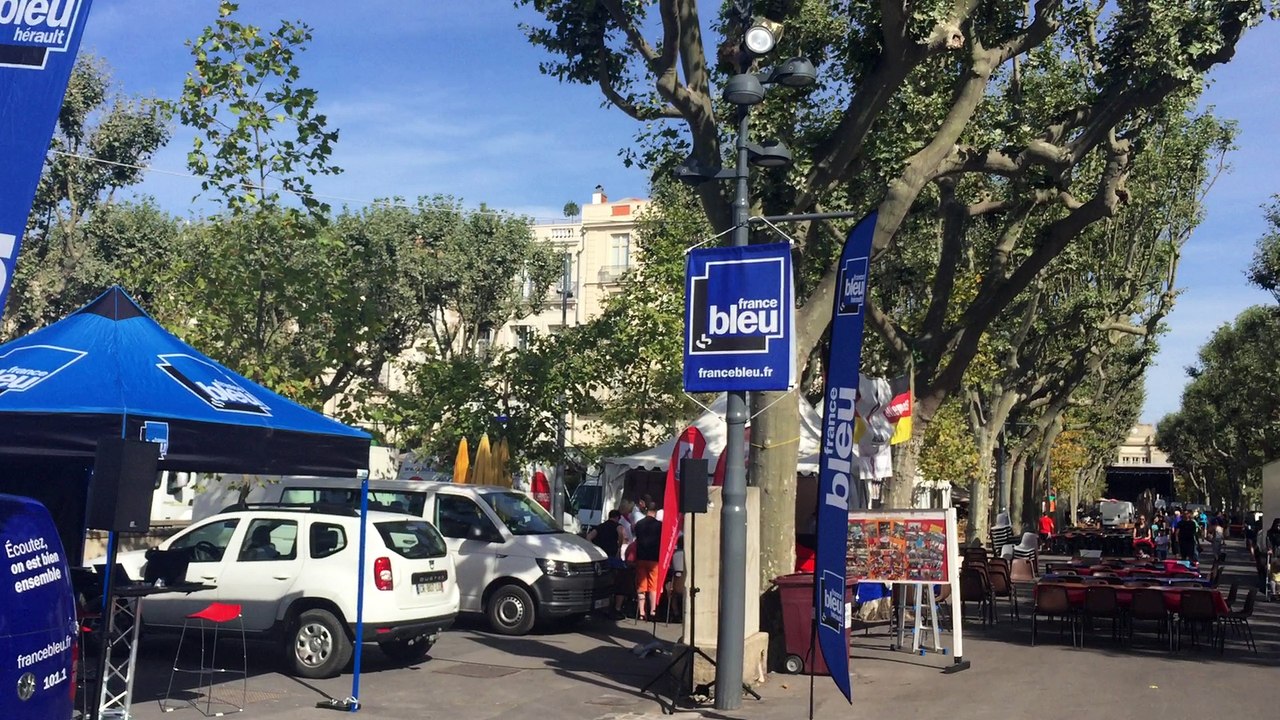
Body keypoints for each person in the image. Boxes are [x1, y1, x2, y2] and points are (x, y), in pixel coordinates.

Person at [587, 509, 629, 618]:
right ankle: (617, 608)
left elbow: (588, 537)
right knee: (622, 580)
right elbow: (621, 533)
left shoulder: (600, 526)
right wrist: (619, 546)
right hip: (613, 557)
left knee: (603, 582)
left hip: (601, 558)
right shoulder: (618, 526)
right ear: (618, 518)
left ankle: (602, 607)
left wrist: (595, 549)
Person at [632, 496, 662, 621]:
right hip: (654, 558)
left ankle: (642, 612)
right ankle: (653, 610)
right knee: (653, 585)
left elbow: (636, 538)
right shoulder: (660, 525)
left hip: (641, 557)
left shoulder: (639, 524)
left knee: (641, 585)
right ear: (655, 512)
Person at [1246, 520, 1267, 592]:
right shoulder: (1261, 533)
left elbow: (1256, 544)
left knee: (1261, 570)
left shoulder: (1260, 533)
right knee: (1263, 570)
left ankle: (1262, 584)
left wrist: (1253, 554)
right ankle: (1263, 584)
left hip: (1260, 553)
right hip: (1261, 553)